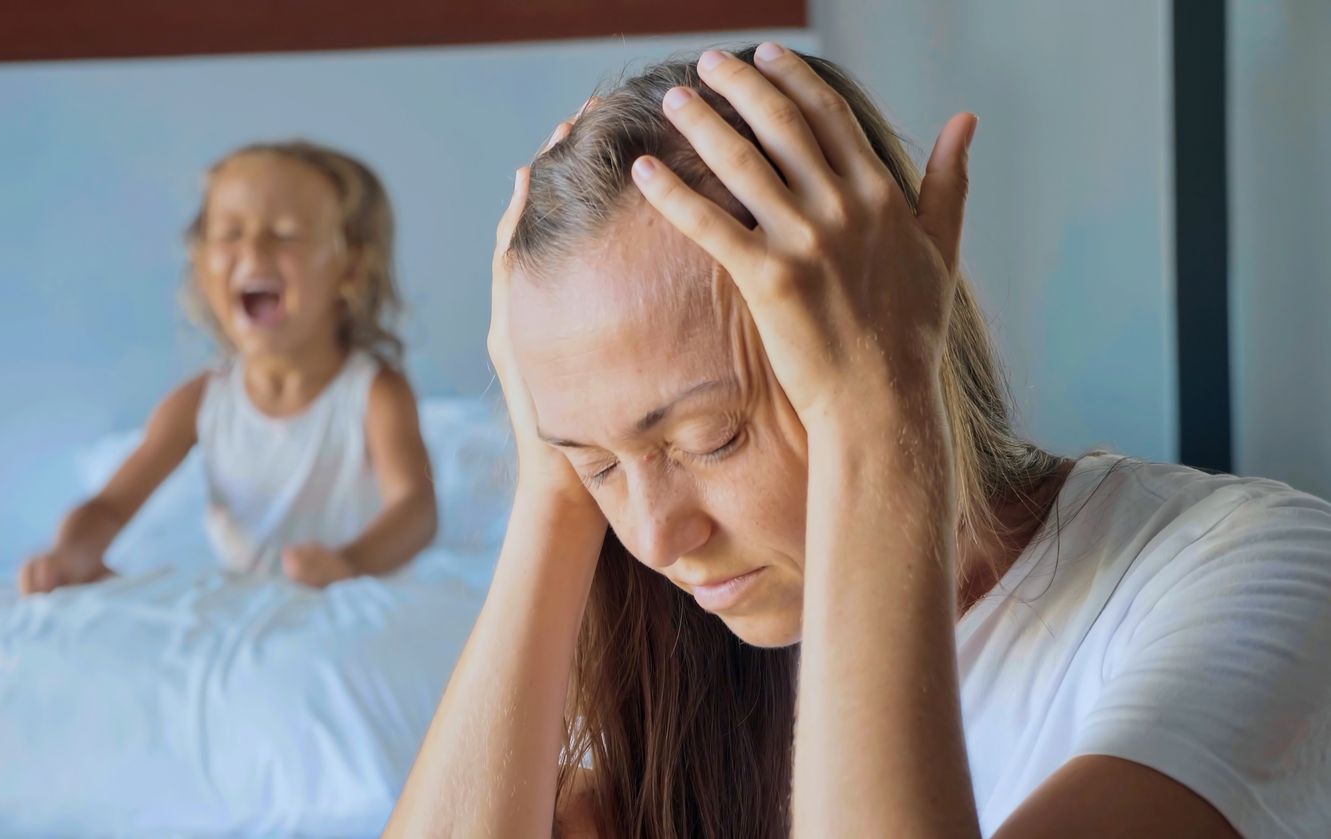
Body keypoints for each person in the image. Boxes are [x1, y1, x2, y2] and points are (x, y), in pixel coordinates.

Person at [387, 44, 1331, 837]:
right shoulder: (685, 663)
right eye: (599, 465)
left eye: (710, 438)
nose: (656, 537)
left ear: (889, 328)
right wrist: (552, 486)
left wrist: (882, 420)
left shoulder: (1255, 573)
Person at [20, 141, 436, 593]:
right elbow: (110, 507)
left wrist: (348, 563)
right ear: (201, 264)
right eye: (230, 233)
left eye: (287, 234)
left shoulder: (375, 392)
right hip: (250, 604)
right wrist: (71, 553)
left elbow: (416, 511)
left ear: (351, 266)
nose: (254, 251)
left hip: (351, 593)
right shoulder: (200, 402)